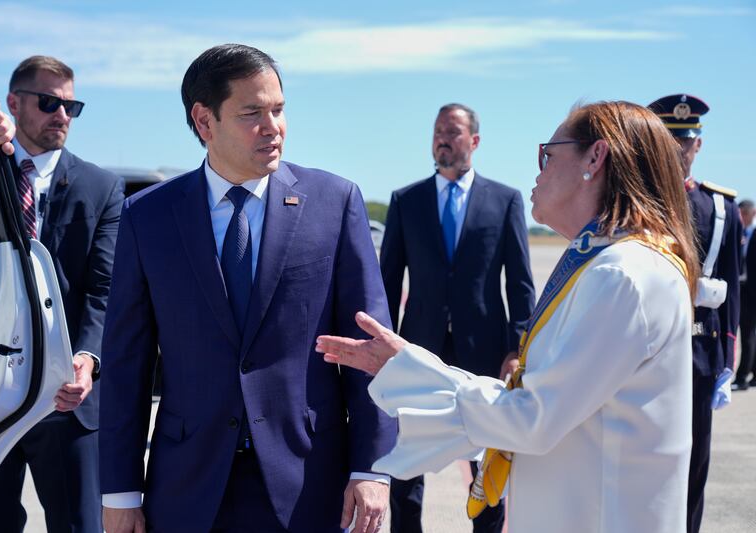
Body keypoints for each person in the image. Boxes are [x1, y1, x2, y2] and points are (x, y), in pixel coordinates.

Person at [317, 101, 700, 533]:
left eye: (548, 155)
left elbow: (532, 418)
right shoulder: (609, 263)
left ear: (595, 157)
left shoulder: (621, 276)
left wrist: (409, 368)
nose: (538, 170)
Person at [99, 44, 396, 533]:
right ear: (204, 121)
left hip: (309, 485)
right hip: (186, 490)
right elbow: (126, 364)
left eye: (278, 110)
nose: (272, 126)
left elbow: (370, 347)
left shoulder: (334, 202)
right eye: (252, 113)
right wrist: (121, 492)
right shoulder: (147, 217)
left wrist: (371, 468)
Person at [0, 56, 124, 533]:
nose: (62, 115)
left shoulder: (101, 187)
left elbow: (104, 288)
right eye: (49, 103)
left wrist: (88, 359)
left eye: (70, 106)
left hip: (65, 398)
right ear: (14, 103)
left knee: (80, 526)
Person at [380, 103, 535, 533]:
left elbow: (520, 284)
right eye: (437, 132)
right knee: (407, 460)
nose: (442, 139)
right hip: (418, 350)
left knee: (487, 464)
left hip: (483, 352)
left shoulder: (504, 201)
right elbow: (387, 283)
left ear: (475, 141)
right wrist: (382, 345)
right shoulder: (405, 201)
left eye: (452, 131)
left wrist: (516, 350)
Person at [648, 94, 741, 533]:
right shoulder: (640, 203)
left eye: (685, 144)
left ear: (697, 147)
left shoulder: (720, 208)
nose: (678, 152)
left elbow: (734, 289)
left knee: (695, 463)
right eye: (669, 143)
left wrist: (727, 356)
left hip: (702, 351)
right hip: (647, 351)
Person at [735, 199, 756, 390]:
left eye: (744, 214)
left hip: (752, 292)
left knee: (749, 336)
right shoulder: (738, 234)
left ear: (753, 213)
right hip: (742, 290)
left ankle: (742, 377)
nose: (741, 217)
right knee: (748, 335)